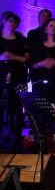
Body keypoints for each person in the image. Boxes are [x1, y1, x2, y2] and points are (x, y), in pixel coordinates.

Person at [29, 18, 55, 114]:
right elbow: (32, 65)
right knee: (41, 111)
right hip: (40, 84)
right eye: (51, 25)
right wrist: (41, 64)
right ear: (45, 28)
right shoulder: (38, 46)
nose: (53, 28)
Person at [0, 12, 29, 150]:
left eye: (15, 22)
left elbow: (25, 59)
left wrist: (13, 57)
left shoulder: (20, 38)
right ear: (4, 21)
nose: (12, 23)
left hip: (17, 76)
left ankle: (16, 140)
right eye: (10, 21)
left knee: (16, 108)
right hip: (1, 76)